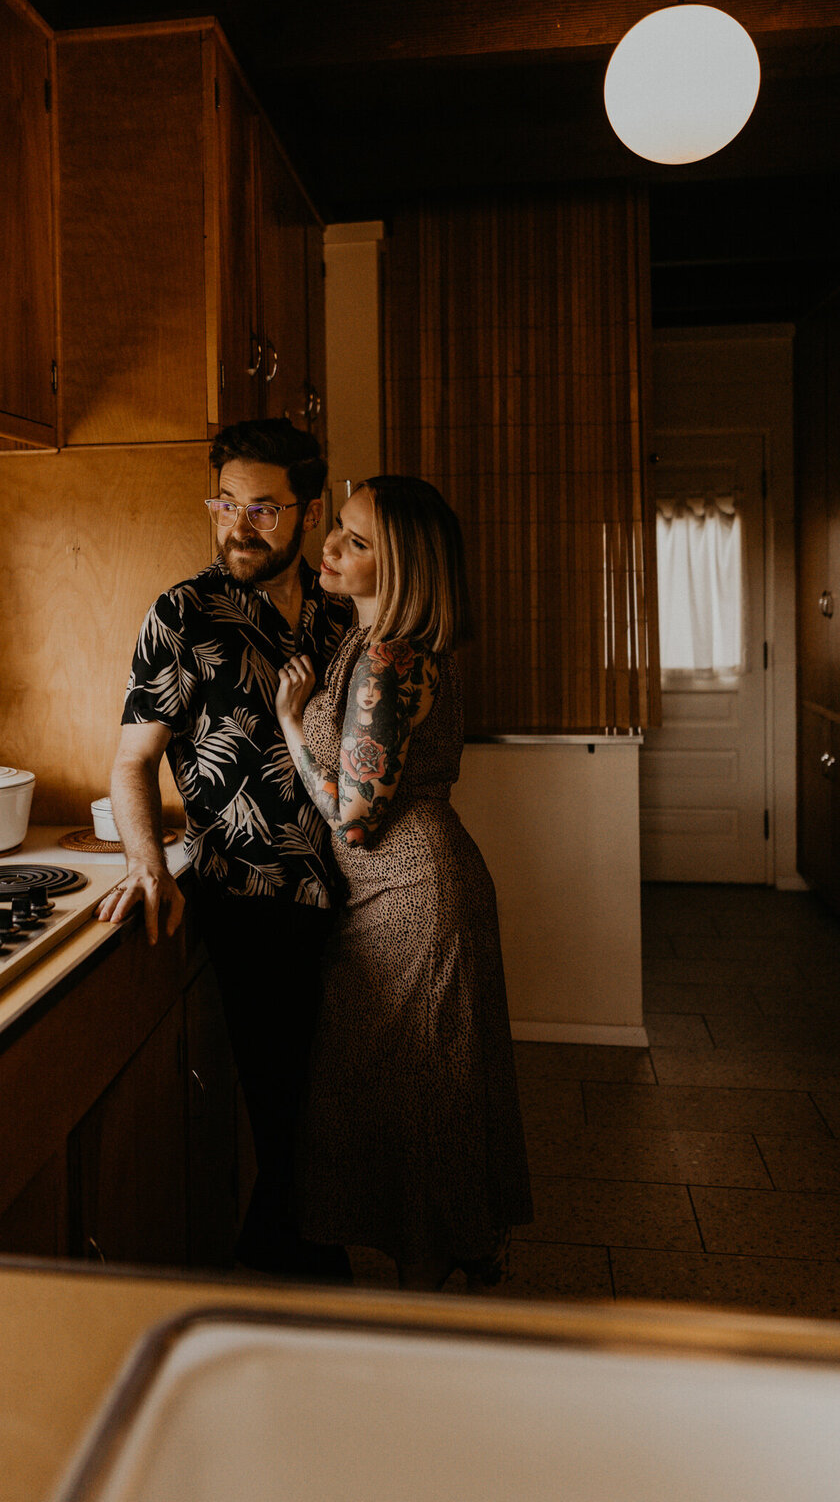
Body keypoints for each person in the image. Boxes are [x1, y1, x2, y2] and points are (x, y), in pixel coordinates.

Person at [96, 419, 354, 1278]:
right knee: (286, 1119)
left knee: (328, 1114)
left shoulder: (339, 616)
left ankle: (295, 1281)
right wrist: (144, 865)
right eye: (225, 504)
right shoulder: (181, 614)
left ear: (307, 514)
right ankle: (287, 1292)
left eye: (263, 509)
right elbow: (131, 763)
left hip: (354, 902)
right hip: (248, 903)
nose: (238, 526)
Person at [275, 475, 533, 1289]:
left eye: (355, 541)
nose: (330, 547)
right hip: (401, 892)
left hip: (411, 897)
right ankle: (461, 1250)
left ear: (403, 565)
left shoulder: (388, 656)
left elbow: (353, 819)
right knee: (417, 1092)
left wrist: (289, 723)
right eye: (339, 531)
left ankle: (420, 1310)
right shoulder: (369, 639)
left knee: (415, 1102)